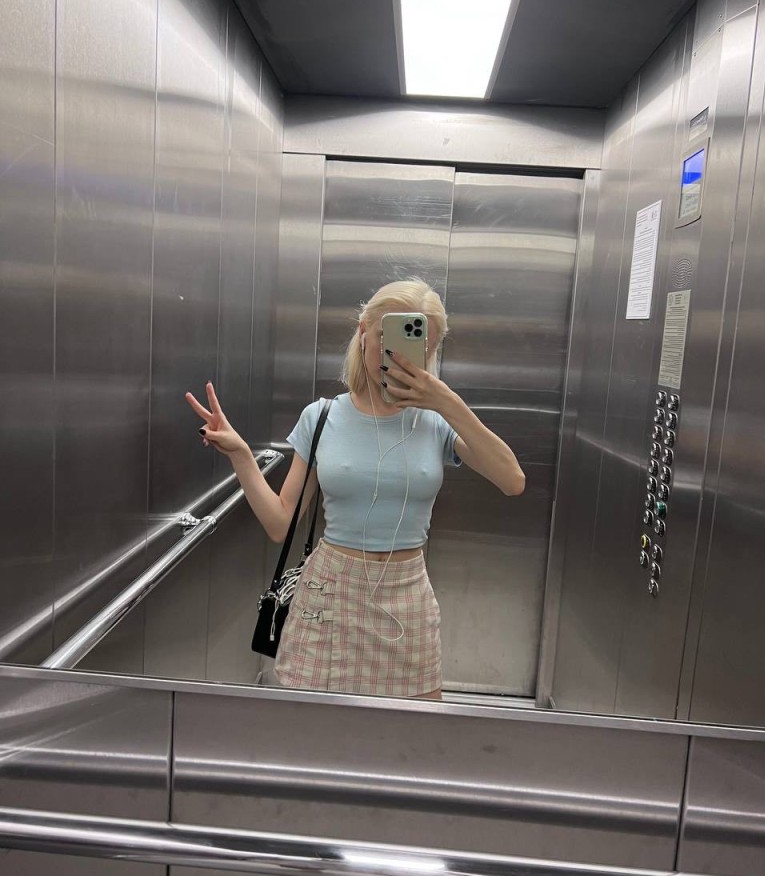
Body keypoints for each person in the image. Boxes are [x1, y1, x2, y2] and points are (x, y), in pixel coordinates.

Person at [186, 278, 525, 700]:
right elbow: (280, 524)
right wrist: (240, 455)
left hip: (407, 600)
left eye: (420, 344)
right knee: (313, 729)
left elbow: (512, 480)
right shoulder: (322, 417)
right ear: (363, 331)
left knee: (412, 733)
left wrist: (445, 401)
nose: (398, 354)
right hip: (329, 597)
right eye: (386, 336)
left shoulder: (435, 422)